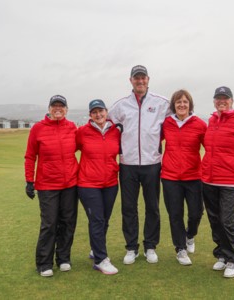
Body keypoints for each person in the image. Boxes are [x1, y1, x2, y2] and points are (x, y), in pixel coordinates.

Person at [108, 65, 170, 264]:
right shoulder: (120, 106)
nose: (140, 81)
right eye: (136, 78)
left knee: (152, 206)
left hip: (152, 163)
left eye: (143, 78)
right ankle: (131, 247)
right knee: (129, 207)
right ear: (131, 81)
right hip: (128, 164)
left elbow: (179, 119)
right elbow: (107, 126)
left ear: (148, 79)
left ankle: (150, 246)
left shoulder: (162, 103)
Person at [201, 86, 234, 278]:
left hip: (231, 182)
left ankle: (232, 259)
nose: (221, 101)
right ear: (214, 101)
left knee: (227, 222)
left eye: (225, 98)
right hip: (209, 180)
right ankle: (222, 255)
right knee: (215, 220)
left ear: (232, 101)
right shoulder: (212, 121)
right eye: (218, 98)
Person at [24, 95, 79, 277]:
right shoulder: (38, 129)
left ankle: (63, 258)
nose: (58, 109)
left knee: (67, 222)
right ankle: (44, 263)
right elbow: (30, 156)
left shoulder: (72, 127)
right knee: (49, 224)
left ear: (66, 109)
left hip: (70, 183)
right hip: (47, 185)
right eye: (54, 106)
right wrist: (29, 181)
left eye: (61, 106)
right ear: (49, 109)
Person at [161, 89, 206, 266]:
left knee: (196, 212)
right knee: (175, 214)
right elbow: (153, 140)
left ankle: (190, 235)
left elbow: (210, 148)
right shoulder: (166, 123)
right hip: (170, 177)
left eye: (185, 102)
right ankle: (180, 249)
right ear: (173, 105)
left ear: (190, 105)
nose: (181, 105)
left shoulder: (200, 124)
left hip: (194, 176)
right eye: (178, 102)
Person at [76, 99, 121, 275]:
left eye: (100, 111)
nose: (98, 114)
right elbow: (68, 150)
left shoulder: (115, 132)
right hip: (88, 184)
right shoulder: (82, 132)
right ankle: (100, 260)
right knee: (97, 220)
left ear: (106, 112)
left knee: (104, 219)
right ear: (90, 115)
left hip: (110, 183)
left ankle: (96, 249)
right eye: (94, 112)